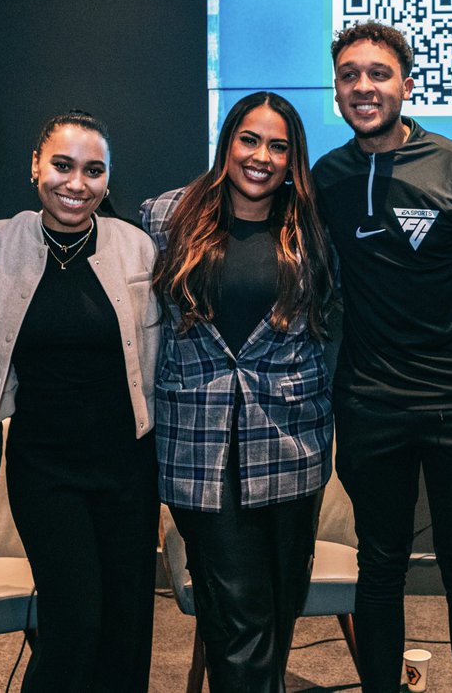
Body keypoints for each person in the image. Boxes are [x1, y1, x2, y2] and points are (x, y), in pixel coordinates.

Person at [313, 21, 452, 693]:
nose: (364, 86)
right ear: (338, 88)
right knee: (379, 566)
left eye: (378, 73)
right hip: (371, 406)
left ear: (407, 83)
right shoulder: (328, 176)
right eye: (350, 74)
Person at [141, 91, 334, 692]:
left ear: (292, 158)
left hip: (291, 447)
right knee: (238, 622)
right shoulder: (164, 216)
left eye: (278, 146)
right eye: (249, 139)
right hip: (200, 451)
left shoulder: (313, 227)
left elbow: (331, 331)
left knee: (277, 613)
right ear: (228, 143)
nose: (261, 156)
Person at [0, 110, 160, 691]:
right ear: (35, 166)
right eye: (62, 165)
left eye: (93, 170)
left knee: (126, 622)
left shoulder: (136, 246)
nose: (76, 183)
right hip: (45, 467)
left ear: (108, 179)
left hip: (128, 465)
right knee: (74, 619)